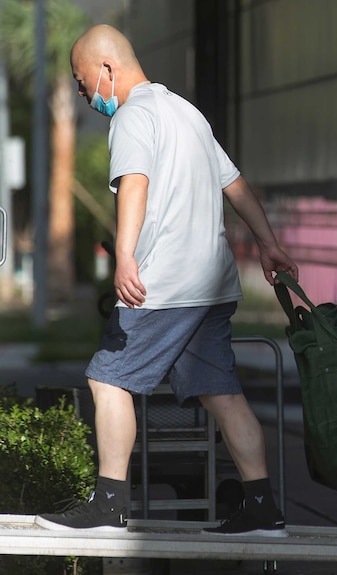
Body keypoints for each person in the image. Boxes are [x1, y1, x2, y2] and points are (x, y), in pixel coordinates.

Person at [36, 24, 299, 536]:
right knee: (220, 391)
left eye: (82, 79)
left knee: (107, 378)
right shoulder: (187, 112)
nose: (83, 93)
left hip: (165, 286)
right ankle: (263, 507)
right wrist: (268, 243)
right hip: (213, 285)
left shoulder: (133, 115)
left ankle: (109, 506)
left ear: (108, 68)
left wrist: (126, 255)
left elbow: (135, 182)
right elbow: (235, 183)